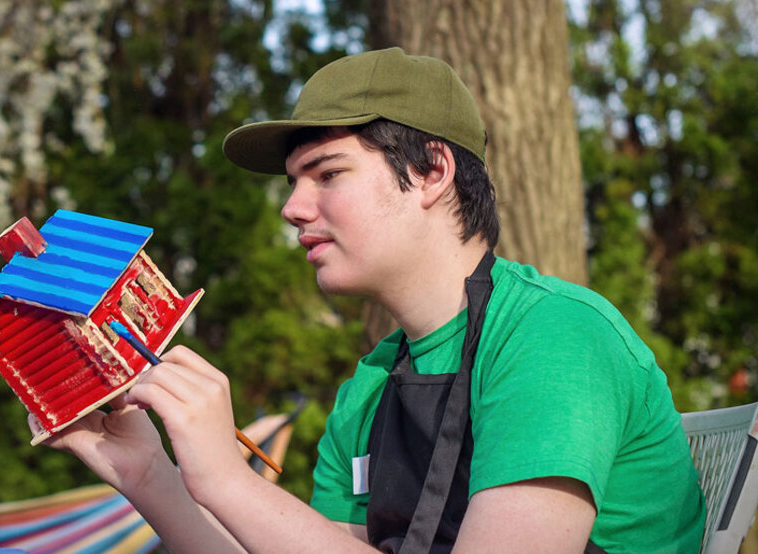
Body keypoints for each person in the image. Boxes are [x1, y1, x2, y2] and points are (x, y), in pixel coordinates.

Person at [39, 47, 706, 553]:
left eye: (327, 174)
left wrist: (231, 481)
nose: (294, 209)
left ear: (432, 173)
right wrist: (151, 472)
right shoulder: (370, 388)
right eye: (295, 183)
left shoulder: (554, 338)